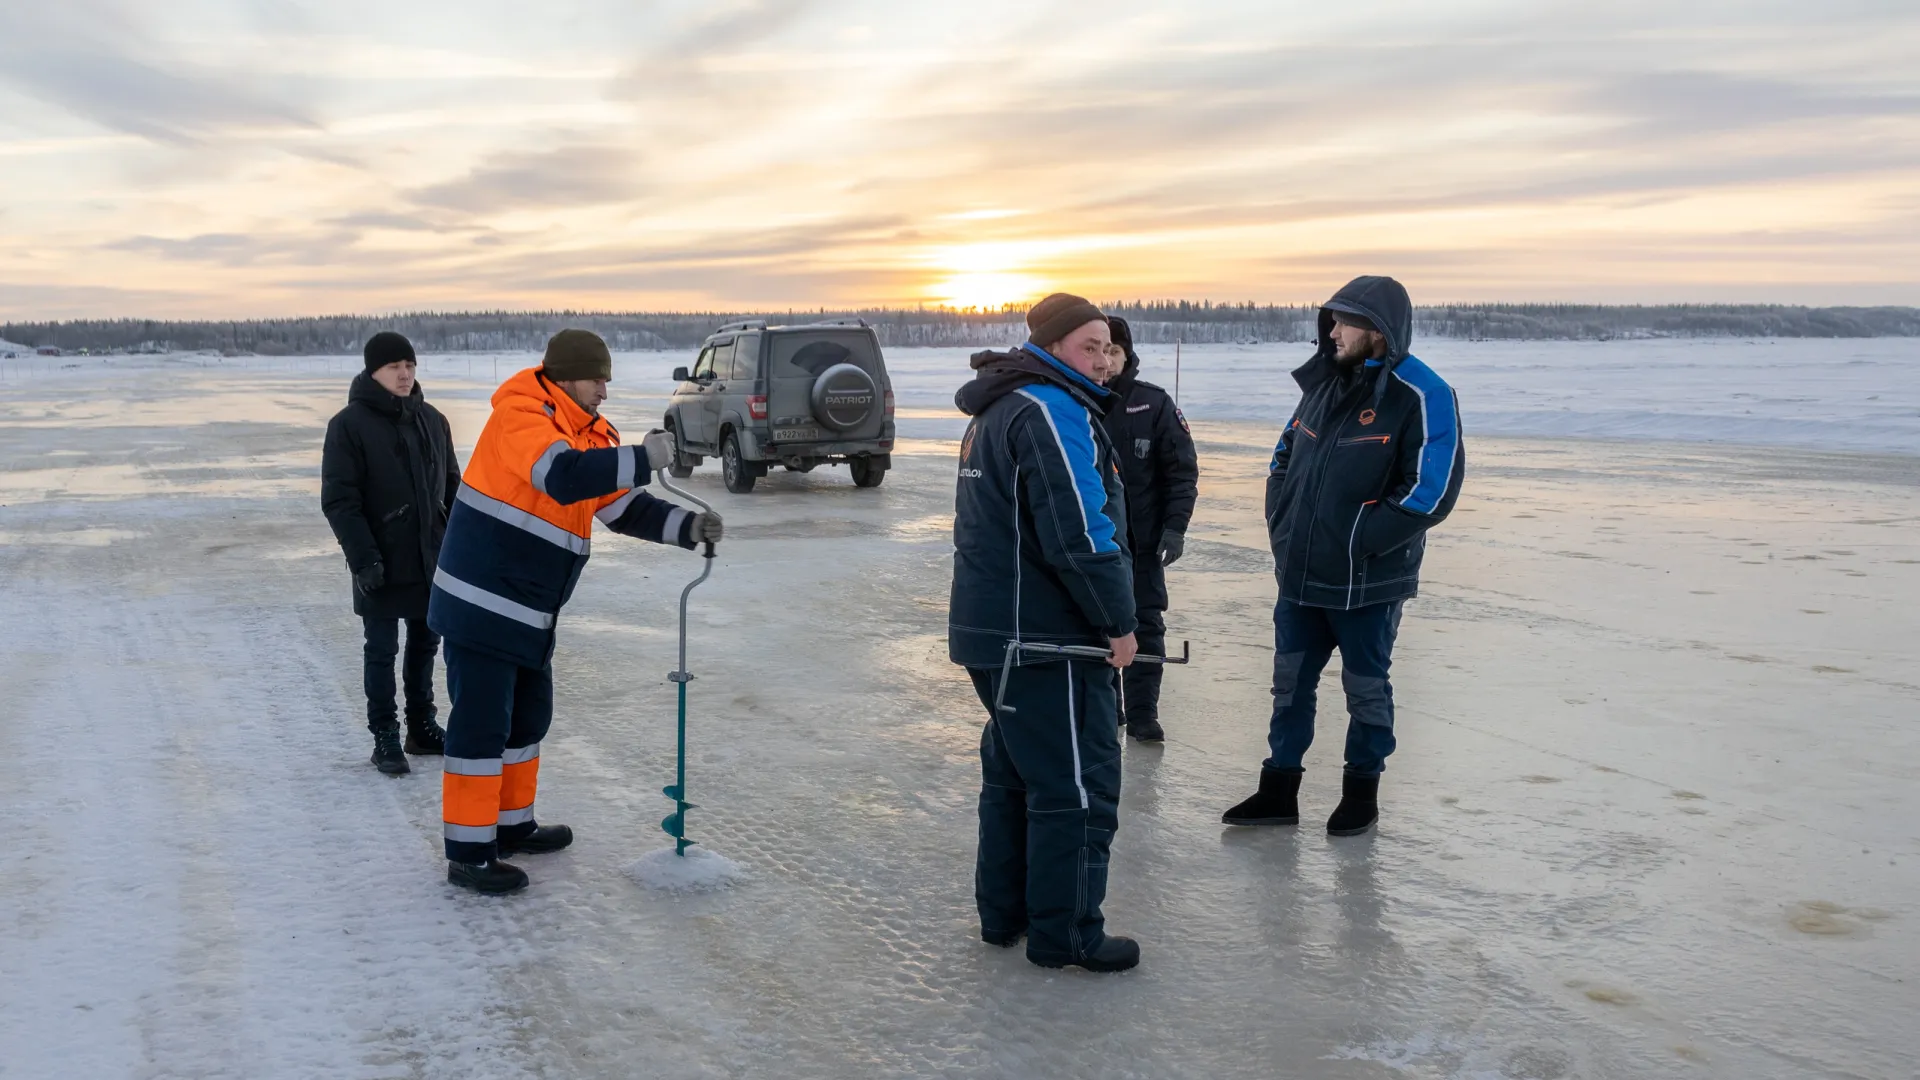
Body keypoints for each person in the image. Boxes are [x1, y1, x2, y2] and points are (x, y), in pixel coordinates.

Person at [428, 329, 723, 894]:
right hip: (481, 602)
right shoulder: (522, 415)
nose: (604, 391)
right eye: (597, 380)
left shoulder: (589, 433)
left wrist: (688, 528)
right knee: (481, 729)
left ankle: (510, 827)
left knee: (526, 722)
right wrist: (640, 457)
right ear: (566, 375)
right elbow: (561, 479)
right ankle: (469, 851)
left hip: (531, 609)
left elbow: (620, 508)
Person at [1223, 276, 1463, 836]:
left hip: (1366, 584)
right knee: (1289, 688)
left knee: (1366, 689)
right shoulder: (1322, 385)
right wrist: (1282, 525)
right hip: (1301, 574)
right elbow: (1284, 458)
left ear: (1377, 330)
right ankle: (1278, 790)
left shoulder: (1422, 394)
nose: (1331, 330)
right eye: (1328, 319)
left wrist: (1358, 541)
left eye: (1343, 321)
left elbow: (1431, 490)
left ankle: (1362, 790)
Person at [950, 292, 1142, 972]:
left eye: (1110, 347)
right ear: (1054, 346)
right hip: (1045, 639)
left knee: (1016, 778)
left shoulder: (1001, 407)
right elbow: (1082, 534)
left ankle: (1006, 916)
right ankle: (1069, 934)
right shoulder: (1049, 410)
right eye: (1089, 345)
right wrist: (1119, 623)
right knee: (1077, 787)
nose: (1103, 358)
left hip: (997, 632)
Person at [321, 332, 461, 776]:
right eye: (393, 367)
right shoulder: (348, 426)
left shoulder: (434, 421)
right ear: (372, 372)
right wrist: (364, 559)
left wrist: (460, 548)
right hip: (379, 558)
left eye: (409, 365)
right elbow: (340, 500)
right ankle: (385, 734)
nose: (404, 375)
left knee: (425, 644)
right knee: (381, 648)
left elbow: (453, 488)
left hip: (431, 557)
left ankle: (421, 726)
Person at [1097, 316, 1199, 742]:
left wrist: (1174, 529)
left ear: (1127, 355)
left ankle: (1142, 713)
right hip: (1094, 545)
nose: (1106, 361)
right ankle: (1107, 710)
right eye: (1099, 351)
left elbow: (1182, 472)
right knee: (1095, 625)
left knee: (1145, 626)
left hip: (1142, 545)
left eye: (1114, 352)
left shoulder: (1152, 404)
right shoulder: (1073, 402)